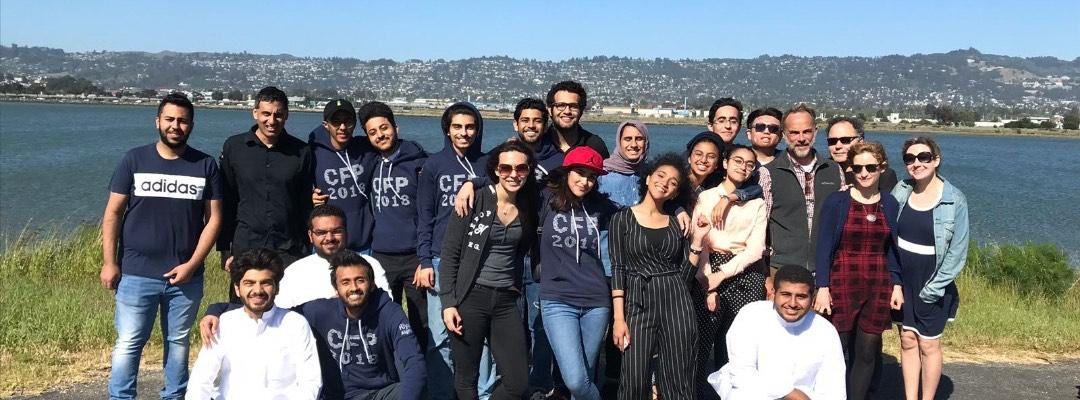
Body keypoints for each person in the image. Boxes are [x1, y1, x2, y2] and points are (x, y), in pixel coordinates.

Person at [101, 93, 222, 400]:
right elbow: (113, 212)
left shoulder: (206, 165)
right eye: (169, 119)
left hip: (185, 278)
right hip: (136, 273)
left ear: (191, 125)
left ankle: (174, 396)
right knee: (129, 342)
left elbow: (214, 220)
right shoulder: (134, 159)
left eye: (182, 120)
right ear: (157, 121)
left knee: (178, 343)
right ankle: (121, 397)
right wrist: (109, 262)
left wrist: (192, 265)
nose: (175, 126)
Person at [199, 251, 426, 400]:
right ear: (335, 289)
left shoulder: (389, 312)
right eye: (345, 282)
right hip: (335, 395)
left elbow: (413, 362)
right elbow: (264, 307)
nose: (354, 288)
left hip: (378, 393)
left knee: (419, 390)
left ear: (372, 284)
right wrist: (216, 310)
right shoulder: (317, 311)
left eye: (360, 280)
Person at [439, 141, 539, 400]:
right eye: (505, 168)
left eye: (521, 168)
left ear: (529, 171)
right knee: (466, 377)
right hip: (471, 296)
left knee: (518, 383)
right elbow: (450, 254)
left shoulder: (529, 204)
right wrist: (448, 303)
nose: (513, 174)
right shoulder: (475, 199)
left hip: (506, 300)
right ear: (495, 170)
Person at [609, 153, 705, 400]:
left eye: (673, 182)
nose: (665, 183)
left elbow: (684, 275)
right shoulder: (622, 218)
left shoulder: (677, 222)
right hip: (638, 301)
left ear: (675, 194)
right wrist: (619, 319)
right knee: (633, 378)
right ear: (649, 178)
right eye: (661, 176)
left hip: (677, 301)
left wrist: (697, 241)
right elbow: (618, 268)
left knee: (679, 377)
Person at [814, 142, 904, 400]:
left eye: (871, 167)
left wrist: (896, 284)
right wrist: (822, 286)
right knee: (836, 348)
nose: (864, 173)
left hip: (878, 283)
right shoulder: (837, 201)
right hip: (842, 278)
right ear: (851, 170)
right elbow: (823, 247)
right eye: (858, 168)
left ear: (882, 168)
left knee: (867, 352)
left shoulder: (889, 203)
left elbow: (892, 250)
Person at [417, 101, 490, 399]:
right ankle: (441, 392)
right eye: (458, 126)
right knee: (440, 334)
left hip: (480, 258)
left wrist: (475, 182)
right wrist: (424, 260)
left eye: (470, 126)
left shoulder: (487, 162)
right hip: (440, 256)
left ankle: (484, 393)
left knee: (481, 333)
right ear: (447, 130)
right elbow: (424, 216)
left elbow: (507, 180)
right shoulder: (434, 165)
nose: (464, 133)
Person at [537, 146, 620, 400]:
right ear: (566, 172)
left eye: (592, 176)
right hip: (557, 300)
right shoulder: (545, 200)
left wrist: (680, 211)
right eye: (580, 173)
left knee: (586, 373)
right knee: (575, 380)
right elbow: (506, 181)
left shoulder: (604, 209)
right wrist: (473, 183)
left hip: (596, 302)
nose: (585, 181)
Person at [218, 86, 313, 301]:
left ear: (286, 115)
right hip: (247, 244)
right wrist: (225, 249)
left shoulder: (301, 152)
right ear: (255, 113)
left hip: (289, 248)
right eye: (266, 114)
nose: (272, 120)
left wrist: (306, 246)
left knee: (291, 306)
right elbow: (227, 200)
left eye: (278, 114)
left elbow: (305, 203)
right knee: (242, 308)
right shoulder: (234, 147)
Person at [187, 248, 321, 400]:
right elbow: (200, 381)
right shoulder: (224, 324)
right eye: (249, 283)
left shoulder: (295, 324)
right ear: (237, 289)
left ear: (277, 288)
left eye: (266, 283)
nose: (257, 290)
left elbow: (310, 382)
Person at [892, 137, 969, 400]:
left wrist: (934, 287)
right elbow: (889, 237)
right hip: (903, 279)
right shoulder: (901, 191)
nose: (917, 163)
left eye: (923, 157)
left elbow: (957, 252)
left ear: (936, 159)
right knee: (907, 340)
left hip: (932, 280)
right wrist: (895, 282)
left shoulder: (954, 200)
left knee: (928, 343)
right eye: (910, 159)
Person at [690, 145, 768, 400]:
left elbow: (756, 249)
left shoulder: (757, 203)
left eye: (749, 164)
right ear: (724, 163)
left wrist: (721, 275)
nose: (743, 167)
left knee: (739, 349)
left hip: (745, 274)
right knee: (702, 345)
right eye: (738, 160)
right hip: (709, 269)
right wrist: (708, 282)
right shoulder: (706, 197)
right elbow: (700, 241)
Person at [357, 101, 431, 354]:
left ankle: (424, 376)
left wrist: (426, 257)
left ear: (395, 127)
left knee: (422, 321)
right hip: (381, 255)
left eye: (384, 127)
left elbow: (429, 212)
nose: (380, 135)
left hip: (414, 257)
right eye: (373, 132)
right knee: (383, 319)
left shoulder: (419, 163)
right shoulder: (369, 163)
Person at [708, 266, 845, 400]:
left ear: (812, 297)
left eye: (801, 296)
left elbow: (833, 389)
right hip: (755, 392)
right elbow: (742, 373)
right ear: (773, 293)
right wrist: (789, 393)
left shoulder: (825, 331)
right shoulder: (752, 315)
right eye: (786, 294)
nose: (792, 303)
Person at [765, 104, 842, 287]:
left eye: (806, 131)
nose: (801, 139)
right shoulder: (769, 173)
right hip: (782, 269)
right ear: (784, 135)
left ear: (815, 132)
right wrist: (765, 273)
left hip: (825, 269)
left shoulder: (833, 170)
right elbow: (760, 225)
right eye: (794, 133)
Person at [274, 204, 388, 309]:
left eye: (336, 231)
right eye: (321, 233)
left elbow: (385, 306)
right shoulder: (294, 272)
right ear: (310, 235)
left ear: (346, 232)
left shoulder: (369, 264)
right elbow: (283, 313)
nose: (329, 238)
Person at [309, 99, 378, 253]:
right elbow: (294, 186)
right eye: (336, 122)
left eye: (348, 122)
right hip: (327, 245)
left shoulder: (367, 149)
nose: (342, 127)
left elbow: (395, 148)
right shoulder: (313, 153)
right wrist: (310, 197)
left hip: (363, 244)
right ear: (326, 125)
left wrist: (421, 168)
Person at [825, 116, 899, 192]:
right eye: (832, 141)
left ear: (860, 141)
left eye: (845, 140)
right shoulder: (821, 171)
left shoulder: (881, 174)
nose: (838, 146)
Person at [546, 80, 609, 158]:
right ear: (550, 110)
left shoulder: (595, 146)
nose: (567, 111)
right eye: (561, 105)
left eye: (573, 106)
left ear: (581, 111)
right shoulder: (539, 144)